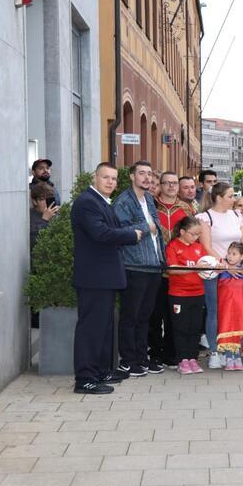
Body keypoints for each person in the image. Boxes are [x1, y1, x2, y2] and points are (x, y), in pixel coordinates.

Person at [71, 163, 142, 394]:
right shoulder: (87, 203)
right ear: (95, 177)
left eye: (113, 178)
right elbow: (101, 233)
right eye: (105, 177)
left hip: (104, 277)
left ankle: (101, 370)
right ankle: (85, 379)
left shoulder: (100, 201)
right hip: (94, 278)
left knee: (103, 328)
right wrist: (133, 235)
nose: (110, 182)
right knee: (91, 329)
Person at [113, 161, 166, 377]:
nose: (147, 178)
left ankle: (141, 358)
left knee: (145, 316)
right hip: (134, 266)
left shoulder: (149, 201)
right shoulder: (124, 201)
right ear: (132, 176)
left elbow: (158, 233)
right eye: (141, 173)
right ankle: (128, 360)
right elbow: (121, 231)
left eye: (149, 174)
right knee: (130, 316)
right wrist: (147, 227)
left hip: (153, 265)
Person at [197, 182, 243, 369]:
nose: (234, 199)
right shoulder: (206, 217)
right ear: (219, 198)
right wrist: (226, 265)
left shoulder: (236, 215)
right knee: (215, 312)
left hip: (238, 273)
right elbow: (207, 246)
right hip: (216, 273)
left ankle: (232, 352)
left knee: (235, 312)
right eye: (230, 196)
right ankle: (214, 351)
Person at [149, 171, 193, 369]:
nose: (170, 186)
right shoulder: (151, 206)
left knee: (173, 314)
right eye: (166, 183)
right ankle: (155, 353)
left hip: (178, 269)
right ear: (160, 185)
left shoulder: (186, 208)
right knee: (155, 314)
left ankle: (172, 353)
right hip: (156, 267)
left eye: (174, 183)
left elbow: (194, 234)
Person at [165, 216, 207, 375]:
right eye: (193, 234)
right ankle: (182, 360)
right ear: (182, 232)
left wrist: (212, 266)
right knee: (181, 327)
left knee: (195, 327)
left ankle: (192, 359)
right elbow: (172, 269)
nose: (196, 237)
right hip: (179, 294)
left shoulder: (198, 247)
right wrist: (195, 268)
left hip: (198, 293)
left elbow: (206, 264)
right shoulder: (173, 246)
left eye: (199, 234)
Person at [216, 242, 243, 371]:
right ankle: (229, 358)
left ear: (242, 257)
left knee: (240, 330)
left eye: (234, 254)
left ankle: (238, 357)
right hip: (226, 309)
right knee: (227, 329)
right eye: (229, 253)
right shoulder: (222, 270)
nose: (230, 256)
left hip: (241, 310)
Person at [29, 182, 58, 250]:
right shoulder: (29, 217)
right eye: (42, 199)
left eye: (48, 199)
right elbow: (33, 242)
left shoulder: (56, 215)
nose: (46, 202)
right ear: (34, 201)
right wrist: (44, 220)